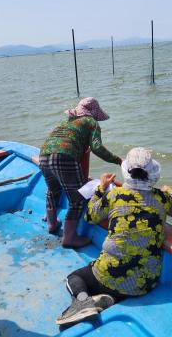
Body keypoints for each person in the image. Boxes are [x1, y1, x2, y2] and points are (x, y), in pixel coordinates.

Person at [56, 148, 172, 326]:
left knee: (74, 278)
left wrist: (100, 189)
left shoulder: (114, 195)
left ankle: (83, 302)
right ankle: (110, 297)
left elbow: (91, 216)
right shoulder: (162, 198)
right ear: (151, 175)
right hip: (146, 283)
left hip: (109, 275)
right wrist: (168, 190)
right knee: (117, 280)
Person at [39, 97, 122, 248]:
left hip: (43, 156)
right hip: (64, 157)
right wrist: (118, 160)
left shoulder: (66, 122)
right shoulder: (91, 122)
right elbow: (97, 148)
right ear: (93, 113)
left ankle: (52, 224)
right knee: (77, 199)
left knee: (53, 191)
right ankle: (69, 238)